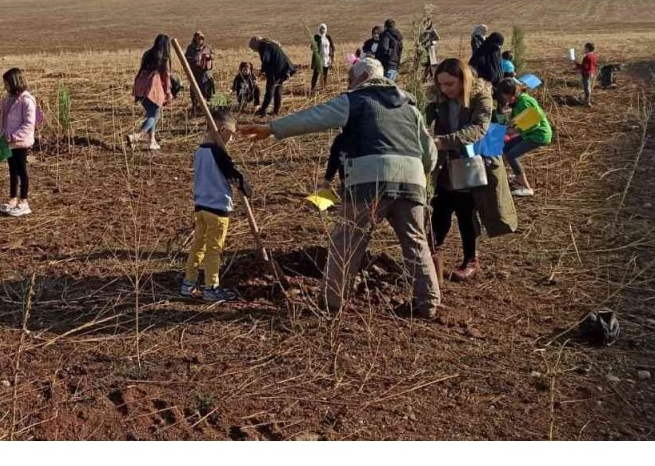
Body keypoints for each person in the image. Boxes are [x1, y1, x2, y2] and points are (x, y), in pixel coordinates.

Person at [240, 57, 440, 319]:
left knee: (347, 241)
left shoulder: (355, 100)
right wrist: (419, 172)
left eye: (350, 78)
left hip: (369, 179)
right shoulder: (410, 109)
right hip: (412, 180)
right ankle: (428, 303)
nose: (348, 83)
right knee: (415, 240)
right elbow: (430, 154)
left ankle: (332, 301)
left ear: (363, 76)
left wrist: (272, 128)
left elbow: (314, 117)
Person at [426, 58, 493, 281]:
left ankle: (471, 261)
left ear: (464, 80)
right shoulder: (439, 98)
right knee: (441, 208)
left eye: (450, 84)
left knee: (466, 213)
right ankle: (429, 255)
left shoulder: (480, 97)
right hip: (445, 165)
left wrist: (442, 141)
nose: (445, 89)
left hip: (470, 163)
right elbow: (424, 120)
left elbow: (478, 129)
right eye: (441, 84)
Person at [181, 109, 252, 303]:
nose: (232, 139)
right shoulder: (219, 153)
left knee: (198, 246)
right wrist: (245, 186)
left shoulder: (199, 151)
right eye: (231, 133)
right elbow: (233, 176)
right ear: (221, 130)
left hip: (201, 206)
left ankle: (188, 283)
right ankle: (211, 287)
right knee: (214, 250)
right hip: (217, 210)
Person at [495, 78, 552, 198]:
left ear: (512, 94)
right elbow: (517, 120)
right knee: (505, 148)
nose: (503, 100)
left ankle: (526, 187)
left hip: (538, 135)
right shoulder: (517, 102)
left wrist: (514, 131)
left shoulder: (525, 102)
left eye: (504, 96)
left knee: (511, 155)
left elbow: (534, 123)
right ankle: (518, 176)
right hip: (529, 133)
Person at [0, 68, 37, 217]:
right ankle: (13, 199)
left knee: (22, 171)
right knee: (12, 171)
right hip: (8, 142)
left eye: (7, 83)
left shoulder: (27, 100)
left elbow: (29, 124)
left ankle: (24, 202)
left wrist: (14, 136)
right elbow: (3, 120)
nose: (5, 86)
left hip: (20, 142)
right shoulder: (7, 99)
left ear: (14, 82)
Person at [128, 34, 173, 150]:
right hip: (152, 87)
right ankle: (136, 136)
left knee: (152, 113)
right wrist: (168, 93)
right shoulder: (163, 57)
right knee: (154, 115)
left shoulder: (147, 54)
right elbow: (166, 76)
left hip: (140, 84)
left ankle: (151, 141)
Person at [249, 35, 295, 116]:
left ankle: (263, 111)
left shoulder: (263, 46)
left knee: (270, 90)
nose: (254, 50)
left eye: (253, 48)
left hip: (276, 70)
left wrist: (262, 72)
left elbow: (265, 59)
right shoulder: (269, 43)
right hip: (284, 68)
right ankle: (276, 111)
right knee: (278, 88)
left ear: (255, 43)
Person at [185, 31, 215, 109]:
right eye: (198, 38)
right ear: (195, 38)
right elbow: (186, 59)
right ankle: (195, 106)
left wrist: (209, 56)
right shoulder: (190, 48)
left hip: (206, 73)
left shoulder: (207, 47)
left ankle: (208, 107)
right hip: (195, 73)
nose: (200, 40)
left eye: (202, 38)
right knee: (195, 90)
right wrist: (195, 59)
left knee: (208, 89)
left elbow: (213, 55)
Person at [309, 23, 335, 95]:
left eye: (324, 29)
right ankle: (312, 89)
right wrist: (315, 47)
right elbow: (312, 47)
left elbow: (332, 47)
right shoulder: (316, 37)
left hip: (326, 59)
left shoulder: (328, 37)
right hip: (318, 59)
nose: (322, 30)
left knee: (325, 74)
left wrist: (331, 56)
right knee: (316, 74)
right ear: (319, 29)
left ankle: (323, 88)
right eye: (321, 29)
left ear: (326, 29)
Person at [576, 42, 599, 107]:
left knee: (587, 88)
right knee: (590, 87)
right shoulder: (594, 56)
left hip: (586, 74)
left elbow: (584, 67)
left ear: (587, 49)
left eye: (585, 48)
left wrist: (577, 67)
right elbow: (592, 65)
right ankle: (588, 100)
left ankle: (587, 102)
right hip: (592, 73)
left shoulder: (586, 57)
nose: (584, 49)